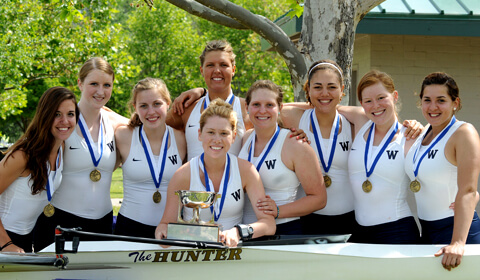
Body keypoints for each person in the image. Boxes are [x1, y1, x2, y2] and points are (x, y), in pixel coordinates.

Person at [33, 57, 128, 251]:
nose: (100, 91)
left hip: (102, 224)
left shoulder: (114, 122)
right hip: (61, 220)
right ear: (80, 83)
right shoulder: (63, 122)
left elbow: (150, 118)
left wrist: (199, 92)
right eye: (94, 84)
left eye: (107, 85)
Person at [156, 99, 275, 247]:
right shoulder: (183, 174)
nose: (217, 140)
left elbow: (269, 224)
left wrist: (238, 232)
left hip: (231, 254)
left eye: (224, 133)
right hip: (192, 255)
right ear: (200, 134)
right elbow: (165, 224)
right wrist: (162, 233)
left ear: (233, 136)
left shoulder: (246, 171)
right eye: (211, 132)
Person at [404, 72, 480, 270]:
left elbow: (469, 190)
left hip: (455, 231)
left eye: (441, 100)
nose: (433, 107)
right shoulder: (422, 133)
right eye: (427, 100)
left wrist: (457, 243)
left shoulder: (463, 133)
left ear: (455, 102)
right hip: (426, 230)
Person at [279, 60, 357, 236]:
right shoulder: (294, 118)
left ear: (342, 90)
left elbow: (386, 118)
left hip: (350, 221)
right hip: (306, 220)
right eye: (317, 87)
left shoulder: (354, 123)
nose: (324, 93)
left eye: (331, 87)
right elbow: (261, 107)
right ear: (307, 90)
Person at [238, 80, 327, 235]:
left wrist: (278, 211)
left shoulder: (296, 144)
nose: (262, 110)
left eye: (270, 105)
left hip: (284, 231)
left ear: (280, 108)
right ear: (247, 107)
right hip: (247, 230)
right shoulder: (246, 139)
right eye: (256, 104)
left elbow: (319, 199)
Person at [0, 87, 78, 253]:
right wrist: (5, 244)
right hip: (5, 240)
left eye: (70, 114)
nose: (65, 121)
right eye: (57, 114)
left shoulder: (62, 148)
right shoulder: (23, 155)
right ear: (45, 116)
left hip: (26, 239)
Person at [347, 70, 420, 244]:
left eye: (381, 98)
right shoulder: (360, 123)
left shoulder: (410, 137)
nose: (376, 106)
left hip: (397, 231)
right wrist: (276, 108)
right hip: (359, 233)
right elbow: (323, 106)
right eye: (368, 101)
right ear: (361, 104)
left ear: (394, 96)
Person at [114, 78, 186, 238]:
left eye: (157, 104)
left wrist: (199, 91)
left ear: (168, 103)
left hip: (171, 230)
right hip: (129, 229)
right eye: (143, 106)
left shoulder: (181, 138)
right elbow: (102, 113)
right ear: (135, 108)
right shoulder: (123, 135)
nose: (151, 112)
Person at [166, 40, 250, 160]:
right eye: (210, 65)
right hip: (193, 178)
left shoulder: (247, 109)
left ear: (233, 70)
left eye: (223, 65)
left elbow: (277, 112)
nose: (217, 70)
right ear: (202, 70)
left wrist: (202, 91)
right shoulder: (188, 108)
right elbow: (152, 125)